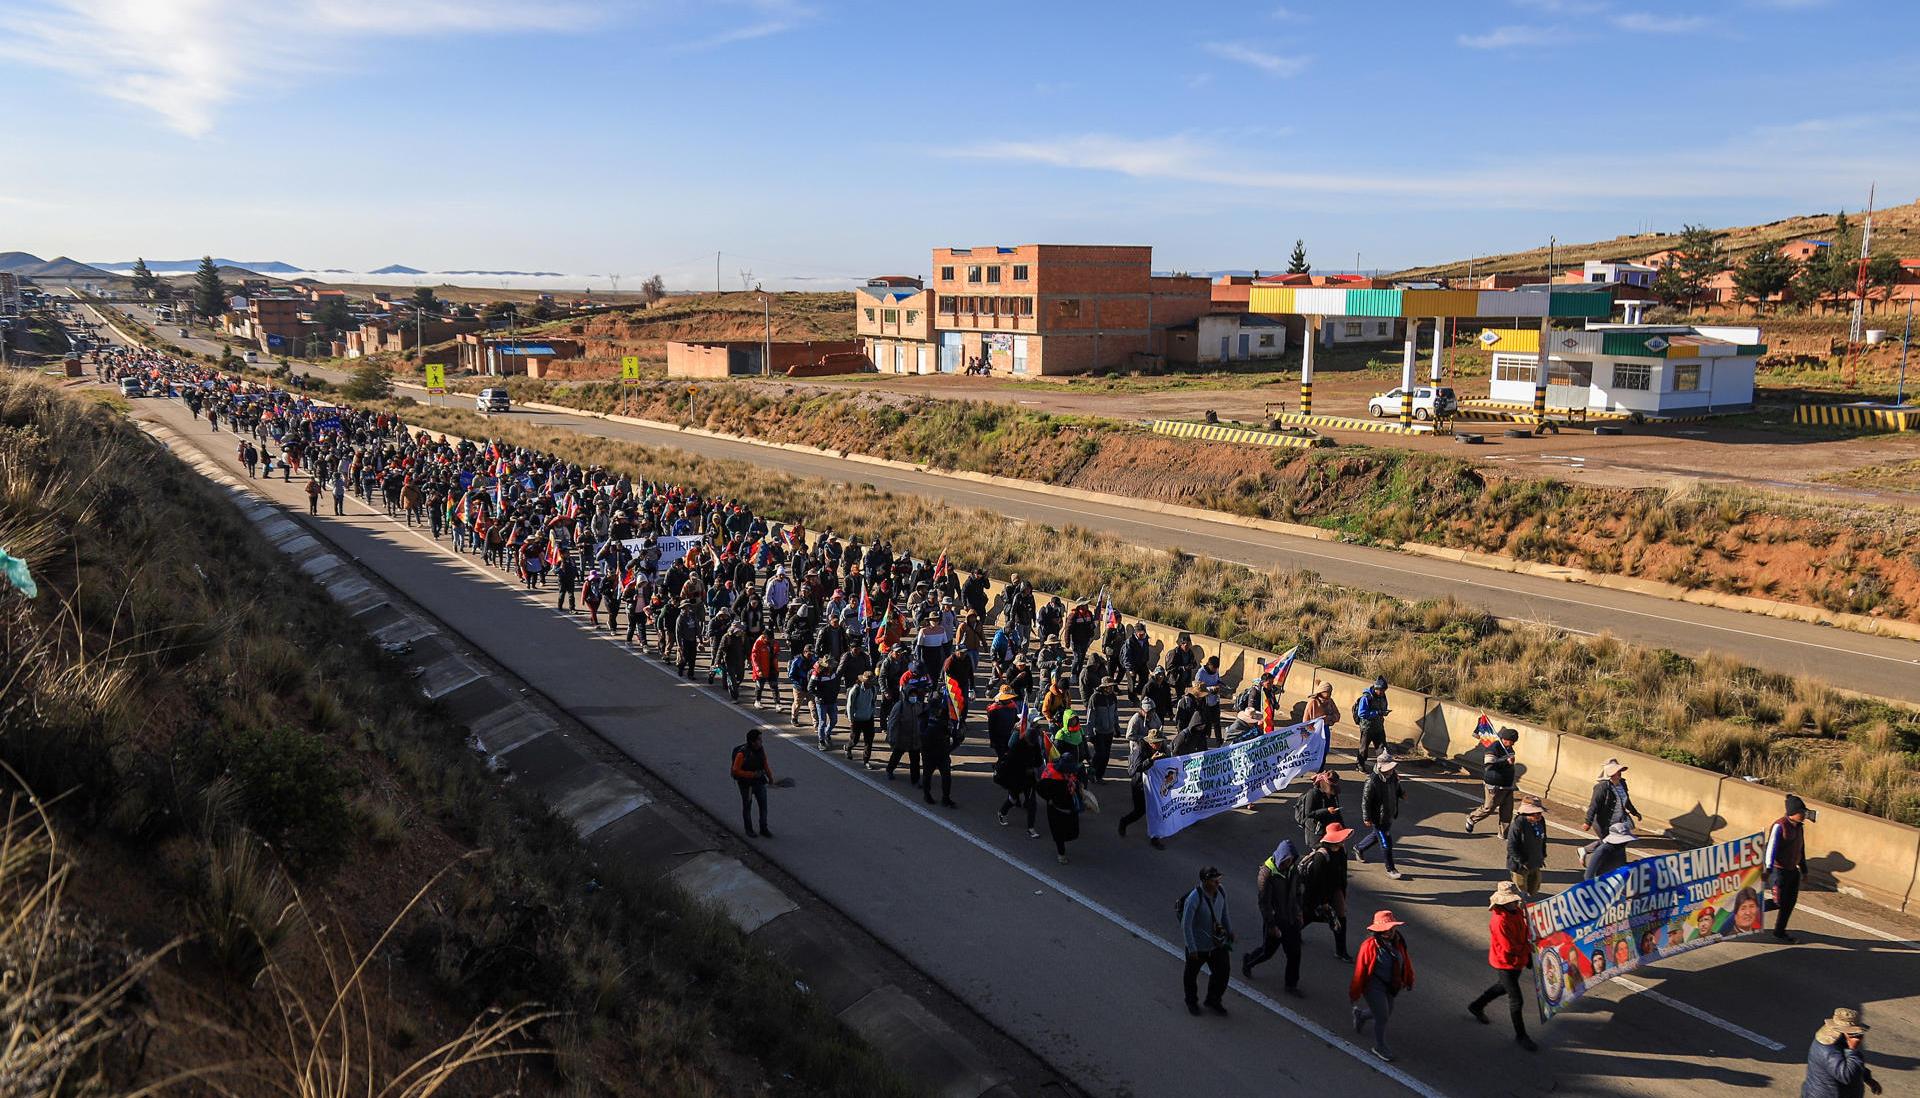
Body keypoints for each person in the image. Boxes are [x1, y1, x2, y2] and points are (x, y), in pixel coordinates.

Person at [1467, 881, 1538, 1051]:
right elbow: (1509, 948)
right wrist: (1529, 949)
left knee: (1502, 987)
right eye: (1512, 901)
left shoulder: (1516, 911)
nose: (1515, 903)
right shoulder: (1500, 921)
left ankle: (1476, 1006)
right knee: (1516, 1000)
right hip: (1505, 962)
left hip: (1517, 960)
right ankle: (1521, 1035)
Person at [1349, 910, 1414, 1063]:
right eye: (1385, 930)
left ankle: (1360, 1016)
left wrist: (1409, 979)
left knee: (1386, 1012)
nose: (1389, 932)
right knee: (1382, 1016)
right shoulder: (1369, 946)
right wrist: (1355, 993)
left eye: (1391, 928)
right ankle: (1380, 1046)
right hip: (1373, 986)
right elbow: (1360, 971)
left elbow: (1405, 962)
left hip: (1391, 986)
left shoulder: (1398, 941)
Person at [1242, 839, 1303, 995]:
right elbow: (1264, 903)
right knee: (1267, 952)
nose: (1288, 863)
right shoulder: (1266, 874)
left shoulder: (1293, 870)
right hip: (1276, 920)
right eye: (1286, 860)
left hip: (1291, 919)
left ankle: (1291, 985)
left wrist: (1299, 912)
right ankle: (1248, 961)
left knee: (1294, 953)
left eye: (1290, 860)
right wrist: (1271, 926)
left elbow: (1297, 893)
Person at [1180, 866, 1235, 1016]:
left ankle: (1213, 999)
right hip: (1198, 947)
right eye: (1213, 880)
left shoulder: (1221, 891)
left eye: (1218, 879)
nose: (1217, 882)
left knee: (1223, 972)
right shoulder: (1194, 898)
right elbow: (1186, 925)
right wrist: (1192, 949)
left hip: (1217, 944)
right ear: (1205, 881)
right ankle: (1191, 1001)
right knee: (1191, 975)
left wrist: (1229, 931)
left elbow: (1224, 912)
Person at [1300, 822, 1352, 961]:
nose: (1343, 841)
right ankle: (1291, 934)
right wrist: (1323, 903)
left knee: (1340, 918)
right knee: (1308, 916)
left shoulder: (1342, 851)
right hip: (1317, 895)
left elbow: (1343, 873)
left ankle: (1341, 951)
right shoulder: (1321, 857)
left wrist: (1342, 892)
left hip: (1335, 890)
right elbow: (1316, 883)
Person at [1801, 1007, 1880, 1098]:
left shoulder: (1840, 1039)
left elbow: (1849, 1062)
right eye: (1855, 1032)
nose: (1859, 1036)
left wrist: (1867, 1078)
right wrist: (1852, 1049)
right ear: (1844, 1031)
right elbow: (1848, 1076)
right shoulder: (1828, 1050)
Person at [1355, 752, 1407, 880]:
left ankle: (1359, 847)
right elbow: (1366, 801)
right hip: (1378, 817)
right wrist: (1366, 817)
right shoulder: (1372, 781)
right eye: (1388, 768)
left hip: (1389, 813)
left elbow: (1397, 788)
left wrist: (1401, 794)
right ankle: (1391, 869)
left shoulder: (1393, 776)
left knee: (1376, 836)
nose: (1390, 771)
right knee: (1386, 842)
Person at [1768, 794, 1811, 943]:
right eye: (1802, 812)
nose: (1804, 814)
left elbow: (1801, 849)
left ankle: (1779, 932)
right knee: (1777, 902)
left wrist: (1804, 870)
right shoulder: (1779, 826)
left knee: (1789, 903)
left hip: (1792, 871)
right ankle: (1745, 911)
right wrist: (1767, 870)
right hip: (1778, 871)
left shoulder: (1799, 828)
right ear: (1793, 812)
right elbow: (1770, 849)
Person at [1466, 726, 1520, 834]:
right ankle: (1472, 818)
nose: (1513, 744)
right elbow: (1489, 765)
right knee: (1488, 808)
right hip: (1494, 785)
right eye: (1511, 741)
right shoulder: (1494, 748)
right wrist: (1505, 761)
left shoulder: (1509, 749)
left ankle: (1504, 833)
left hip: (1507, 785)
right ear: (1505, 739)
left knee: (1507, 811)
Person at [730, 728, 774, 838]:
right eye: (759, 740)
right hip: (746, 785)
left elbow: (765, 764)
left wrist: (770, 777)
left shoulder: (760, 750)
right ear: (752, 742)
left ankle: (763, 828)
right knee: (747, 806)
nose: (761, 742)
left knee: (763, 806)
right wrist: (751, 775)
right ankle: (749, 829)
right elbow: (735, 770)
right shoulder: (742, 754)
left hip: (759, 782)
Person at [1584, 759, 1642, 837]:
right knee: (1607, 843)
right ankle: (1587, 849)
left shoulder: (1622, 784)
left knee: (1614, 843)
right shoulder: (1602, 787)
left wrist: (1635, 812)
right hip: (1604, 822)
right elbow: (1594, 805)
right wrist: (1588, 822)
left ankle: (1586, 850)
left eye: (1620, 771)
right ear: (1610, 773)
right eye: (1617, 771)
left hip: (1618, 822)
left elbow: (1626, 801)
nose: (1620, 773)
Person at [1506, 799, 1549, 896]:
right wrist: (1523, 861)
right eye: (1535, 813)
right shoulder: (1518, 823)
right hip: (1521, 866)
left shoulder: (1541, 821)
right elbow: (1511, 847)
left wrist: (1542, 855)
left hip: (1536, 862)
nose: (1538, 815)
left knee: (1534, 890)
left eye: (1540, 813)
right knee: (1521, 893)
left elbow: (1543, 839)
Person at [1354, 677, 1389, 773]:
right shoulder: (1366, 697)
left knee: (1382, 748)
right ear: (1376, 688)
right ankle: (1360, 764)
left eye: (1384, 690)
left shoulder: (1383, 696)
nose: (1382, 692)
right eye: (1381, 690)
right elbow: (1361, 713)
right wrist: (1376, 713)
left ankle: (1382, 767)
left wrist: (1383, 712)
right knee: (1364, 748)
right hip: (1367, 727)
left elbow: (1384, 706)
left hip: (1378, 726)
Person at [846, 671, 878, 766]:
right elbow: (850, 705)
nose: (870, 684)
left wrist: (872, 714)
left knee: (869, 741)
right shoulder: (855, 690)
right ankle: (848, 748)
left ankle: (866, 760)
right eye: (869, 683)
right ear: (864, 681)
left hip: (868, 718)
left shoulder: (873, 689)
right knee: (854, 740)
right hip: (857, 719)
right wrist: (851, 720)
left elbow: (873, 702)